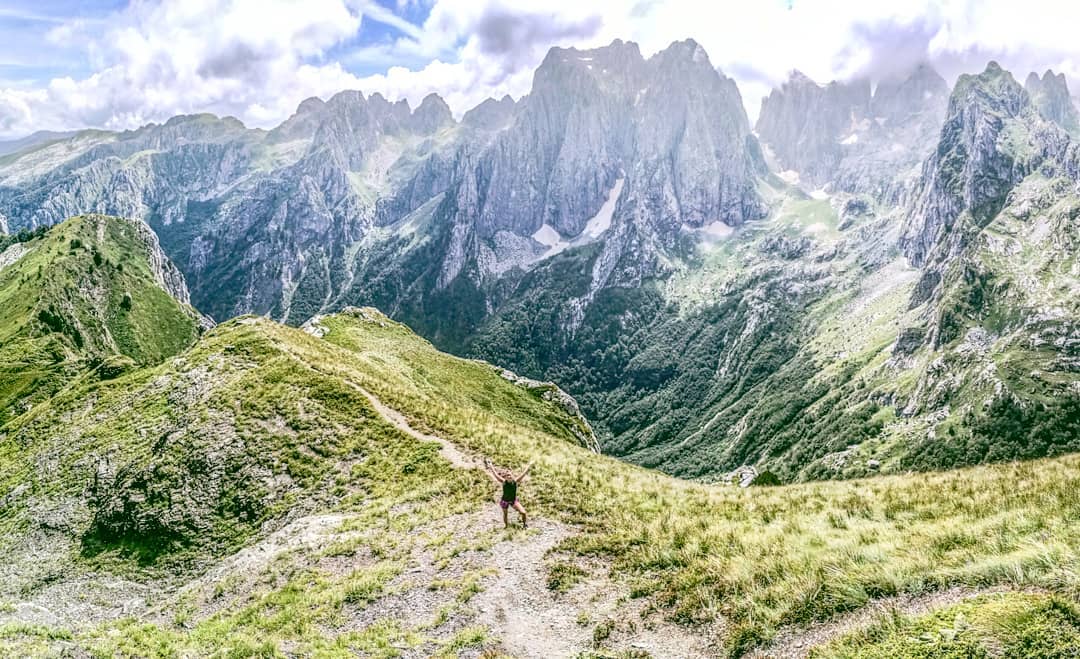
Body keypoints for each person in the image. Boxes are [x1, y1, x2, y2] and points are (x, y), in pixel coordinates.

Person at [483, 457, 532, 528]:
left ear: (512, 476)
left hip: (513, 501)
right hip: (504, 501)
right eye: (507, 475)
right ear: (505, 477)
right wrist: (491, 466)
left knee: (523, 512)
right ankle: (506, 526)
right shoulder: (504, 482)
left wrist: (529, 465)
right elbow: (495, 475)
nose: (509, 476)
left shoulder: (515, 481)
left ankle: (525, 525)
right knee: (505, 514)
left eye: (510, 475)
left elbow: (523, 473)